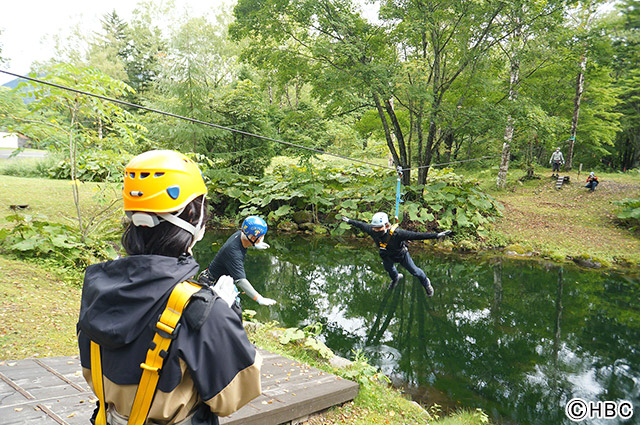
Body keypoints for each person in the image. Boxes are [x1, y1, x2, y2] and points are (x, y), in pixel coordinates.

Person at [77, 150, 262, 425]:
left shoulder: (96, 285)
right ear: (194, 217)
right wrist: (228, 314)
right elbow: (233, 396)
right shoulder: (201, 309)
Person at [341, 212, 452, 297]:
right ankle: (396, 278)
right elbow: (360, 224)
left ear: (387, 226)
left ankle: (426, 283)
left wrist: (436, 235)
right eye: (375, 228)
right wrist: (349, 221)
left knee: (415, 272)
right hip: (386, 255)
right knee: (389, 269)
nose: (376, 230)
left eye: (379, 227)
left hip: (401, 255)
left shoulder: (397, 234)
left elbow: (417, 235)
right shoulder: (371, 230)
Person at [199, 216, 277, 306]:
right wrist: (259, 298)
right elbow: (241, 281)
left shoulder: (241, 234)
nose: (262, 238)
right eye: (261, 236)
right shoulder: (234, 252)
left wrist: (256, 244)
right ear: (253, 238)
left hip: (223, 279)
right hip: (213, 285)